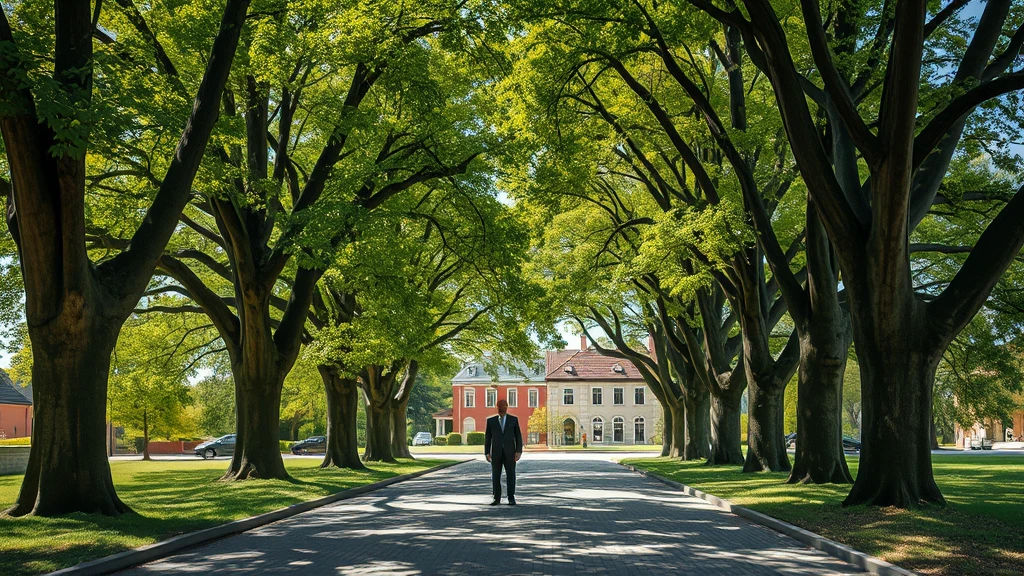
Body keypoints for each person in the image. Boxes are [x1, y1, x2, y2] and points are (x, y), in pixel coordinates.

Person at [484, 398, 523, 505]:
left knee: (511, 475)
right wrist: (487, 452)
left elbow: (518, 436)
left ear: (507, 407)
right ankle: (496, 498)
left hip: (510, 452)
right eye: (501, 406)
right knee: (496, 476)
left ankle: (511, 497)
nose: (503, 407)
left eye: (504, 406)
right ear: (498, 407)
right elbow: (488, 438)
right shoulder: (491, 421)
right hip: (496, 453)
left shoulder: (513, 420)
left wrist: (519, 451)